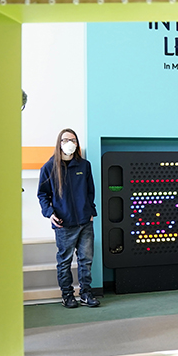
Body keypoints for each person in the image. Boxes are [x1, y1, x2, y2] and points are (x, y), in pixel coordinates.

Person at [37, 129, 100, 308]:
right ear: (59, 143)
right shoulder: (49, 167)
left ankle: (86, 294)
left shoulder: (84, 166)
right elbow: (42, 194)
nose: (69, 143)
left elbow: (90, 191)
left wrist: (91, 212)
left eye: (73, 140)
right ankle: (67, 295)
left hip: (85, 222)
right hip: (63, 224)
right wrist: (50, 214)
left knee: (85, 261)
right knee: (64, 262)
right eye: (65, 139)